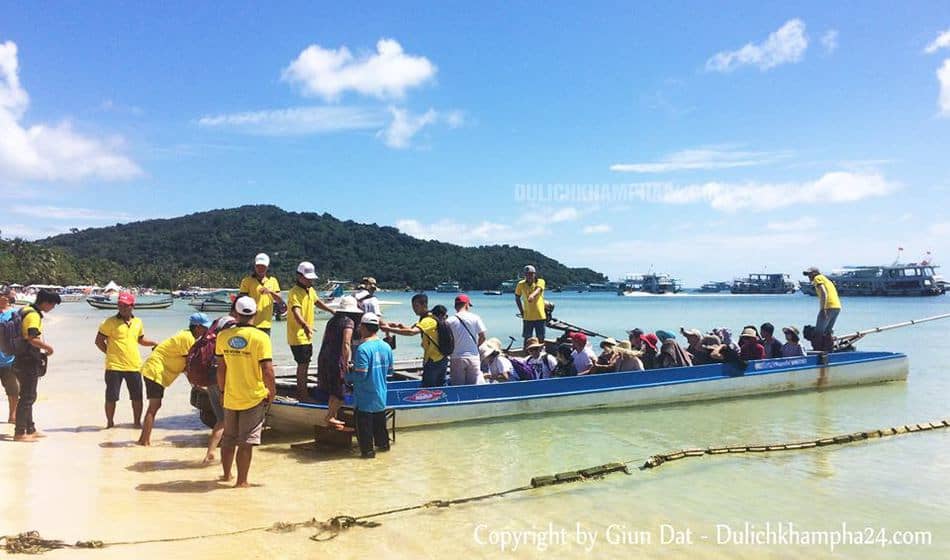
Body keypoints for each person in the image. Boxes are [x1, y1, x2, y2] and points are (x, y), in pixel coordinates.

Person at [215, 296, 275, 488]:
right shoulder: (261, 337)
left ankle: (226, 476)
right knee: (246, 442)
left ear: (235, 313)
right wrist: (271, 391)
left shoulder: (223, 336)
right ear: (255, 314)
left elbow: (221, 368)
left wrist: (223, 390)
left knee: (228, 439)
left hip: (231, 395)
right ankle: (242, 482)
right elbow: (267, 369)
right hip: (253, 396)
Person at [137, 313, 210, 446]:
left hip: (157, 370)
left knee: (154, 406)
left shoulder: (188, 336)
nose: (206, 331)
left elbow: (184, 366)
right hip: (155, 370)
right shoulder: (187, 338)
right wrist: (197, 385)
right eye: (205, 328)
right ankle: (144, 441)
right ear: (198, 327)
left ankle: (143, 439)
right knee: (154, 406)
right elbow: (189, 367)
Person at [95, 292, 159, 428]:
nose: (122, 308)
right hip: (114, 366)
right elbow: (99, 341)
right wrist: (110, 353)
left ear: (132, 306)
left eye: (125, 305)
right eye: (119, 305)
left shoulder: (138, 322)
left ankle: (136, 423)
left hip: (134, 365)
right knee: (111, 397)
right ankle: (110, 423)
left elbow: (140, 339)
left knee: (137, 397)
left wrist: (154, 343)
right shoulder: (109, 322)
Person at [11, 289, 60, 441]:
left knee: (29, 395)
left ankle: (30, 428)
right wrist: (48, 348)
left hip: (19, 358)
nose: (52, 308)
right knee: (27, 396)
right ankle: (20, 433)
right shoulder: (33, 315)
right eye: (52, 305)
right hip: (27, 360)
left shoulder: (24, 310)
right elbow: (32, 337)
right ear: (45, 302)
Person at [345, 312, 393, 458]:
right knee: (382, 438)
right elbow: (389, 372)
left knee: (366, 446)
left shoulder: (363, 349)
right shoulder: (386, 347)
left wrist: (347, 375)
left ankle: (368, 462)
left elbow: (361, 375)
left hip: (364, 400)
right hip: (380, 398)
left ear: (362, 327)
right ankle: (384, 464)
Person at [288, 261, 333, 402]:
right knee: (303, 365)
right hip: (298, 335)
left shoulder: (310, 290)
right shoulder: (294, 292)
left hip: (306, 335)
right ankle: (303, 395)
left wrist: (332, 310)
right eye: (308, 278)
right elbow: (296, 311)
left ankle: (303, 392)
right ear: (299, 276)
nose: (310, 280)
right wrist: (305, 324)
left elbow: (317, 302)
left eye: (311, 278)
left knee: (305, 364)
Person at [384, 293, 447, 387]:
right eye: (413, 306)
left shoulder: (428, 320)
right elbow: (411, 329)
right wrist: (399, 327)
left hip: (433, 359)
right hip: (441, 357)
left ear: (424, 305)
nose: (414, 309)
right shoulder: (427, 318)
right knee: (439, 386)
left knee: (428, 388)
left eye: (416, 306)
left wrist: (389, 329)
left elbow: (411, 332)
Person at [317, 295, 360, 430]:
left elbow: (325, 339)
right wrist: (347, 361)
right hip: (336, 360)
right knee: (341, 393)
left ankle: (332, 416)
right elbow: (346, 343)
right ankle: (329, 416)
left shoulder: (332, 321)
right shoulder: (348, 322)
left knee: (332, 390)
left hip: (324, 357)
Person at [203, 311, 237, 464]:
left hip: (210, 373)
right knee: (227, 419)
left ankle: (213, 452)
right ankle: (217, 454)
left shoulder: (217, 321)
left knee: (221, 418)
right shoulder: (231, 325)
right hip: (221, 376)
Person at [446, 294, 487, 385]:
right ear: (467, 304)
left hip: (456, 357)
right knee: (473, 386)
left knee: (457, 386)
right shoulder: (475, 317)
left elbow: (446, 339)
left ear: (455, 306)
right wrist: (476, 346)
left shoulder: (449, 321)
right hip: (473, 357)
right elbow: (483, 337)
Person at [238, 253, 283, 334]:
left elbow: (279, 299)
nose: (260, 268)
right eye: (258, 266)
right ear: (255, 266)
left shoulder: (273, 280)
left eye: (263, 266)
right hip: (250, 323)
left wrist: (270, 292)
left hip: (266, 323)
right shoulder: (247, 281)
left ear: (267, 267)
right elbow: (241, 301)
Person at [803, 267, 841, 351]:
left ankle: (818, 352)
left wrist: (823, 309)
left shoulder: (817, 278)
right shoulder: (827, 280)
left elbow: (823, 292)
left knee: (818, 333)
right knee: (828, 331)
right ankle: (829, 350)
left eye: (810, 274)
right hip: (837, 306)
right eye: (808, 275)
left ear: (815, 273)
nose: (809, 277)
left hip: (828, 306)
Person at [514, 265, 547, 345]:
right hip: (527, 316)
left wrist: (532, 295)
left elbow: (538, 289)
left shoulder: (540, 281)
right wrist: (521, 311)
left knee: (541, 337)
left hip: (540, 316)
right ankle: (526, 354)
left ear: (534, 274)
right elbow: (517, 297)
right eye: (527, 274)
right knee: (527, 338)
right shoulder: (521, 284)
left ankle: (541, 354)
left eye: (531, 274)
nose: (529, 276)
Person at [1, 286, 19, 423]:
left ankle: (12, 416)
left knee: (13, 390)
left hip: (9, 359)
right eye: (2, 295)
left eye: (6, 295)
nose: (4, 298)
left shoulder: (14, 313)